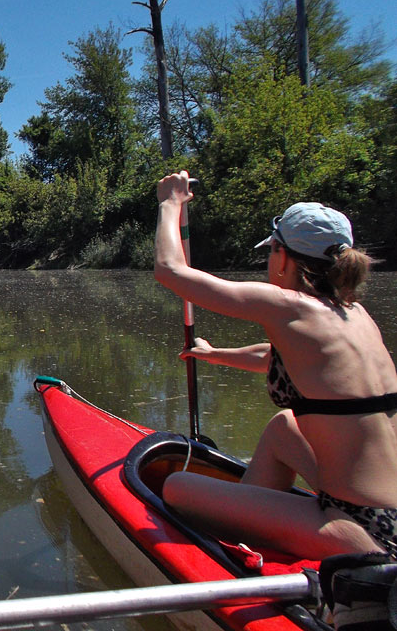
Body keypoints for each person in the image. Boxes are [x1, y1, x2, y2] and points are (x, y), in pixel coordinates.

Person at [154, 170, 397, 560]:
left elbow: (171, 271)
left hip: (361, 530)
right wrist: (215, 354)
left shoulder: (287, 305)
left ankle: (245, 536)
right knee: (285, 426)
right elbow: (279, 358)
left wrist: (170, 203)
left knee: (176, 487)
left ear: (283, 257)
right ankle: (251, 527)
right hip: (386, 514)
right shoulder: (355, 315)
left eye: (271, 251)